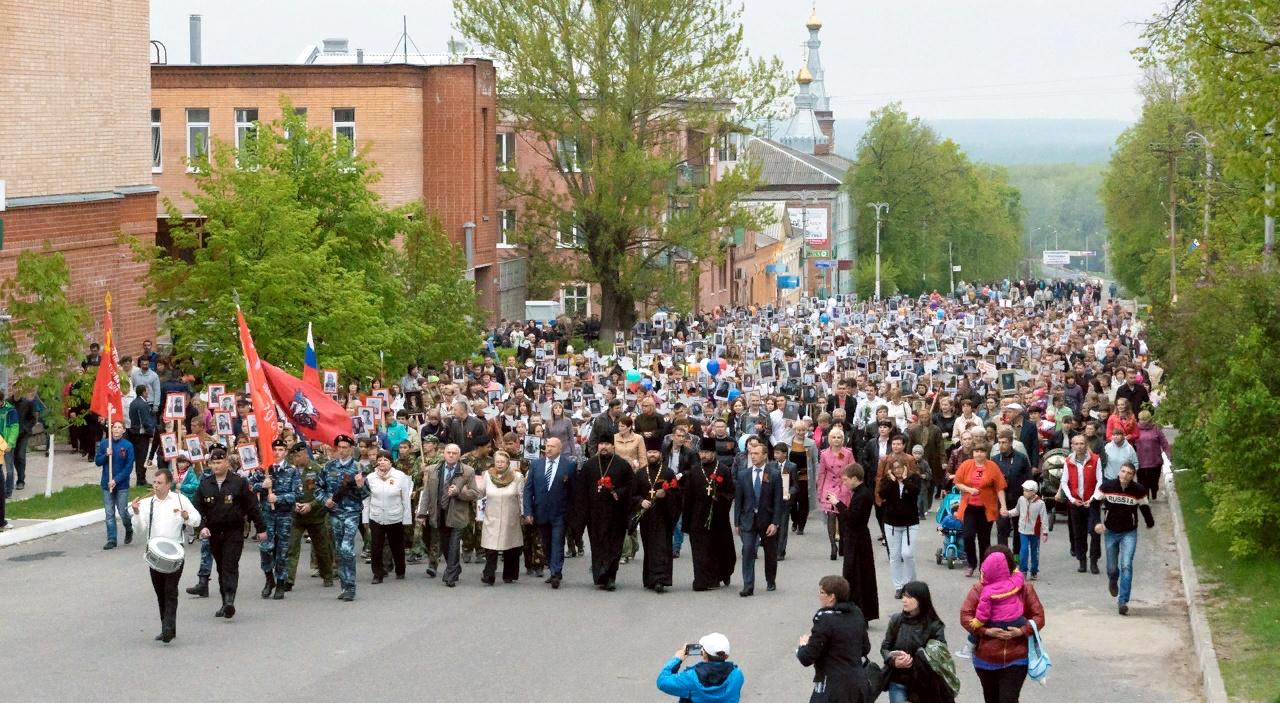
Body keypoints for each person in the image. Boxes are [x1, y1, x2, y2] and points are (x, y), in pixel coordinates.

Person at [960, 546, 1046, 703]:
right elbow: (966, 616)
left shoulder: (1024, 588)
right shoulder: (980, 589)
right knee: (991, 699)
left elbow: (1039, 617)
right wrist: (986, 631)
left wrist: (1021, 631)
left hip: (1017, 656)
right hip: (985, 658)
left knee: (1008, 699)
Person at [195, 445, 267, 619]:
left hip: (233, 531)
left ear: (227, 462)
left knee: (230, 565)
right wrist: (201, 526)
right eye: (214, 463)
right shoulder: (205, 484)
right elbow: (196, 508)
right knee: (220, 567)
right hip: (214, 532)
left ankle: (229, 600)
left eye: (220, 462)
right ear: (210, 464)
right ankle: (224, 602)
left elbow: (252, 506)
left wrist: (261, 528)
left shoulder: (239, 482)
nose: (217, 466)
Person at [130, 468, 201, 643]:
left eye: (159, 483)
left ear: (168, 484)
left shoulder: (179, 499)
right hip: (155, 555)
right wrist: (137, 513)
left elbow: (197, 519)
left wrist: (187, 517)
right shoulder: (148, 504)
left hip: (175, 553)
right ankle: (167, 627)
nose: (156, 486)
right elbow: (139, 530)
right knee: (160, 591)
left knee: (170, 590)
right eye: (154, 482)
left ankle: (168, 627)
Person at [1090, 462, 1155, 616]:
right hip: (1111, 531)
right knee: (1112, 568)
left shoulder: (1138, 490)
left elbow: (1145, 507)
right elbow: (1094, 505)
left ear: (1133, 476)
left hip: (1129, 533)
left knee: (1126, 565)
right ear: (1119, 472)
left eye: (1129, 473)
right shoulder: (1107, 487)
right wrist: (1097, 522)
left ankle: (1123, 601)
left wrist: (1149, 522)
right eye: (1123, 471)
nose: (1125, 475)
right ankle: (1113, 579)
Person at [414, 442, 482, 588]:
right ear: (443, 454)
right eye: (448, 452)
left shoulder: (467, 471)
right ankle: (455, 567)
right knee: (445, 546)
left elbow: (476, 493)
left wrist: (459, 493)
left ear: (459, 455)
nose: (451, 455)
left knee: (454, 544)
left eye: (454, 453)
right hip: (438, 513)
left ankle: (450, 575)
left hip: (457, 514)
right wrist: (422, 513)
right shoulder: (433, 470)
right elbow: (426, 493)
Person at [574, 432, 635, 590]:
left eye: (607, 444)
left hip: (616, 513)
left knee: (614, 545)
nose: (604, 447)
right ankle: (600, 575)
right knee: (598, 545)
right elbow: (581, 491)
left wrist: (618, 492)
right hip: (595, 514)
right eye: (601, 444)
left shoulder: (622, 465)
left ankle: (610, 576)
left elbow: (630, 487)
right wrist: (581, 515)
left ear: (613, 446)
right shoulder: (589, 465)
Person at [796, 575, 872, 703]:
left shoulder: (825, 619)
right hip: (858, 685)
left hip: (832, 689)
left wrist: (803, 646)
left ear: (832, 597)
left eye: (822, 592)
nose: (819, 595)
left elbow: (807, 658)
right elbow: (865, 648)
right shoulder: (856, 613)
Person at [315, 434, 370, 600]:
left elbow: (366, 493)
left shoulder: (358, 467)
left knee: (347, 548)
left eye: (345, 447)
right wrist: (325, 500)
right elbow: (318, 488)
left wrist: (360, 486)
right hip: (335, 513)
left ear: (351, 449)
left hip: (352, 512)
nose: (342, 450)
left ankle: (351, 586)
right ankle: (344, 586)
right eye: (339, 447)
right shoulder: (329, 467)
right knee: (339, 550)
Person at [880, 581, 951, 703]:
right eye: (903, 596)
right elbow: (885, 647)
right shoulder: (897, 620)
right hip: (897, 682)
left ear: (921, 599)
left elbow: (940, 656)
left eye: (909, 597)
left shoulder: (934, 626)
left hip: (923, 685)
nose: (904, 600)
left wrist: (917, 657)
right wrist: (893, 661)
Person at [249, 438, 300, 600]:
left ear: (285, 452)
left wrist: (278, 498)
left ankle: (281, 583)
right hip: (267, 516)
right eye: (274, 450)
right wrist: (262, 486)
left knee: (282, 551)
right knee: (265, 548)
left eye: (280, 450)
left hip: (284, 516)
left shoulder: (292, 471)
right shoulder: (265, 469)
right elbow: (249, 485)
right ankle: (269, 579)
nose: (277, 453)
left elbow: (297, 494)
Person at [523, 436, 577, 588]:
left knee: (557, 542)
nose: (549, 448)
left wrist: (572, 514)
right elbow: (528, 490)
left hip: (560, 512)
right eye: (547, 446)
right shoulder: (536, 465)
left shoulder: (569, 466)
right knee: (546, 544)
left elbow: (574, 492)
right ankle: (553, 568)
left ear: (560, 449)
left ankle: (555, 573)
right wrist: (528, 512)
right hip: (540, 512)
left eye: (553, 446)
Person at [683, 435, 736, 591]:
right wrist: (686, 522)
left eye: (707, 452)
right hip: (697, 518)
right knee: (699, 550)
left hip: (718, 519)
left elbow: (730, 493)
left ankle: (719, 575)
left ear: (713, 453)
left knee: (718, 548)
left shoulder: (723, 470)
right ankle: (701, 580)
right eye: (702, 452)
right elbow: (688, 497)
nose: (704, 455)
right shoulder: (694, 471)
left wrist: (718, 497)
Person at [733, 443, 784, 597]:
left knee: (770, 552)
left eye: (756, 453)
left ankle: (770, 579)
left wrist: (775, 523)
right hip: (748, 520)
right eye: (751, 453)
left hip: (767, 520)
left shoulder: (774, 474)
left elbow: (778, 501)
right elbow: (739, 500)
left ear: (764, 455)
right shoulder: (743, 475)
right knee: (748, 550)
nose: (753, 456)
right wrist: (737, 522)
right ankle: (748, 585)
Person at [829, 463, 878, 622]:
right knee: (857, 575)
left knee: (856, 576)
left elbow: (852, 518)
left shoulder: (862, 495)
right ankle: (857, 611)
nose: (845, 483)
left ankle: (858, 612)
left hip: (858, 540)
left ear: (855, 479)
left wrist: (838, 503)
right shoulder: (860, 493)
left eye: (846, 480)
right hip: (857, 538)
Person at [952, 443, 1008, 577]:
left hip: (986, 508)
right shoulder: (966, 465)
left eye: (982, 451)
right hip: (969, 507)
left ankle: (984, 566)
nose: (979, 454)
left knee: (984, 539)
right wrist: (969, 489)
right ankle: (971, 563)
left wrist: (1004, 506)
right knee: (968, 536)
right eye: (976, 451)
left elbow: (1000, 487)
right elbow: (957, 482)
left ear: (986, 453)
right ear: (973, 453)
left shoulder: (992, 467)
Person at [284, 441, 335, 590]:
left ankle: (327, 575)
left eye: (299, 455)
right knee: (291, 547)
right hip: (296, 516)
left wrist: (311, 505)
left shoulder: (317, 469)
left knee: (322, 548)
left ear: (306, 454)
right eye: (294, 456)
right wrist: (293, 504)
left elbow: (326, 493)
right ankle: (289, 579)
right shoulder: (289, 471)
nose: (296, 459)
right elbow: (285, 491)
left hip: (316, 516)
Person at [634, 446, 681, 593]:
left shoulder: (668, 472)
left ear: (660, 454)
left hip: (663, 516)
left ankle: (661, 580)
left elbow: (677, 495)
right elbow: (633, 494)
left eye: (655, 452)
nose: (652, 455)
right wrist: (641, 501)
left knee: (661, 547)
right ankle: (650, 579)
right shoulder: (640, 473)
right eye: (650, 452)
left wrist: (666, 495)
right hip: (646, 517)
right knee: (649, 548)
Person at [364, 449, 413, 583]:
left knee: (397, 546)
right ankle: (377, 573)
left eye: (385, 460)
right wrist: (365, 518)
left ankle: (400, 569)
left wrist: (407, 519)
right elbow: (366, 499)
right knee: (376, 547)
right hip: (376, 516)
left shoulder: (400, 476)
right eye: (379, 460)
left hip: (395, 516)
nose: (382, 462)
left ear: (391, 462)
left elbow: (405, 499)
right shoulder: (370, 477)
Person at [656, 632, 744, 703]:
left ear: (704, 654)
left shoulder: (691, 677)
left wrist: (677, 659)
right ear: (726, 655)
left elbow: (662, 681)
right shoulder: (737, 675)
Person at [878, 458, 921, 599]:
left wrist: (904, 480)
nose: (897, 470)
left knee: (907, 554)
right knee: (895, 556)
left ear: (905, 467)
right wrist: (893, 481)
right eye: (894, 468)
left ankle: (910, 584)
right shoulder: (887, 480)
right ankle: (898, 586)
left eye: (900, 467)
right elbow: (882, 494)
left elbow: (915, 492)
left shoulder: (913, 478)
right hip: (891, 524)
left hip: (910, 523)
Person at [480, 450, 524, 585]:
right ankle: (489, 575)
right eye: (497, 461)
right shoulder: (487, 475)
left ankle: (509, 574)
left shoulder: (517, 476)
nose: (499, 464)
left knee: (510, 546)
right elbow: (480, 492)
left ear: (508, 463)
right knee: (490, 547)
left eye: (502, 462)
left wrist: (524, 514)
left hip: (510, 517)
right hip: (491, 517)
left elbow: (521, 496)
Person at [1061, 434, 1103, 574]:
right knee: (1079, 533)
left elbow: (1100, 481)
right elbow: (1064, 482)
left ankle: (1094, 560)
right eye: (1076, 444)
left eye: (1082, 443)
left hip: (1091, 502)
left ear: (1086, 445)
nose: (1079, 446)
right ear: (1072, 446)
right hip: (1076, 503)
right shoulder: (1068, 461)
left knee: (1095, 531)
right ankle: (1082, 560)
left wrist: (1092, 498)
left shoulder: (1095, 459)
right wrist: (1072, 499)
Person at [96, 420, 135, 550]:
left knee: (123, 512)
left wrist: (116, 480)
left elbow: (128, 467)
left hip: (121, 485)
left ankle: (128, 528)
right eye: (115, 427)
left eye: (119, 427)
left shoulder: (128, 446)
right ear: (111, 429)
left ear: (124, 430)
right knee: (109, 512)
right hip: (107, 484)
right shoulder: (105, 444)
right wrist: (106, 455)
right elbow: (98, 462)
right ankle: (111, 539)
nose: (117, 429)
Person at [817, 427, 854, 561]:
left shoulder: (848, 453)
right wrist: (820, 490)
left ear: (842, 440)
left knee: (842, 516)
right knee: (831, 515)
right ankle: (833, 545)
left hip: (843, 485)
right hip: (828, 486)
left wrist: (850, 487)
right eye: (834, 437)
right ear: (829, 440)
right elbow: (821, 473)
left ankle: (843, 542)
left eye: (839, 437)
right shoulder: (824, 454)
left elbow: (852, 470)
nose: (836, 440)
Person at [1005, 480, 1048, 580]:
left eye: (1027, 491)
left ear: (1033, 492)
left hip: (1034, 531)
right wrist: (1008, 513)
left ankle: (1034, 571)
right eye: (1024, 490)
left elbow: (1044, 518)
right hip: (1023, 530)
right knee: (1023, 550)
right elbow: (1017, 511)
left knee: (1034, 551)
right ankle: (1023, 570)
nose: (1024, 492)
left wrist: (1045, 532)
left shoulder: (1040, 503)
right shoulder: (1021, 499)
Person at [1132, 410, 1169, 500]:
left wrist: (1168, 454)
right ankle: (1145, 498)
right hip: (1140, 461)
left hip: (1155, 461)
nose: (1142, 421)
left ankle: (1154, 493)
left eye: (1145, 419)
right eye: (1141, 419)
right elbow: (1130, 443)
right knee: (1142, 483)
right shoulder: (1135, 429)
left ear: (1149, 419)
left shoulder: (1156, 429)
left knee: (1154, 482)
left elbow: (1164, 442)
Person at [127, 385, 156, 486]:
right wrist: (151, 433)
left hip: (134, 433)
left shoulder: (133, 403)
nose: (148, 393)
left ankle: (140, 478)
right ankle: (141, 479)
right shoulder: (142, 404)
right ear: (144, 392)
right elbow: (146, 421)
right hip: (142, 434)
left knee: (138, 457)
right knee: (142, 457)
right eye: (147, 391)